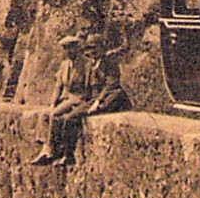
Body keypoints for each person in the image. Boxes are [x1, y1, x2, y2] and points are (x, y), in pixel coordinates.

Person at [30, 31, 129, 166]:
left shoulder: (108, 63)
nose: (92, 51)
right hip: (92, 99)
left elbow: (111, 85)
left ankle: (66, 154)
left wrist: (97, 102)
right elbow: (84, 87)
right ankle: (57, 151)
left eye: (95, 48)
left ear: (102, 47)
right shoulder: (93, 64)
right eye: (90, 48)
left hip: (110, 99)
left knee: (69, 118)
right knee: (62, 117)